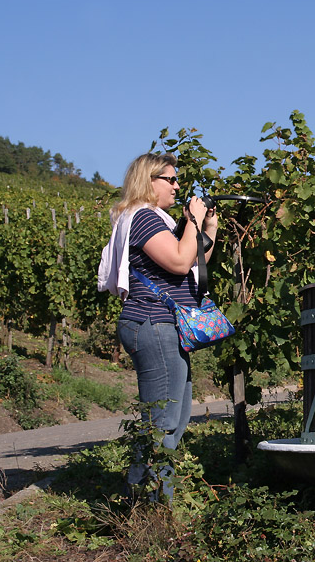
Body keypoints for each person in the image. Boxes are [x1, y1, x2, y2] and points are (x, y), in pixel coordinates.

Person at [97, 152, 218, 502]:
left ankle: (150, 498)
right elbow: (181, 263)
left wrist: (206, 227)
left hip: (162, 324)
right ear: (149, 180)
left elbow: (191, 259)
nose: (177, 186)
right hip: (152, 322)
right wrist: (193, 221)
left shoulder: (153, 220)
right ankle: (147, 504)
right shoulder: (145, 219)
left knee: (174, 419)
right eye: (171, 179)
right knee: (161, 423)